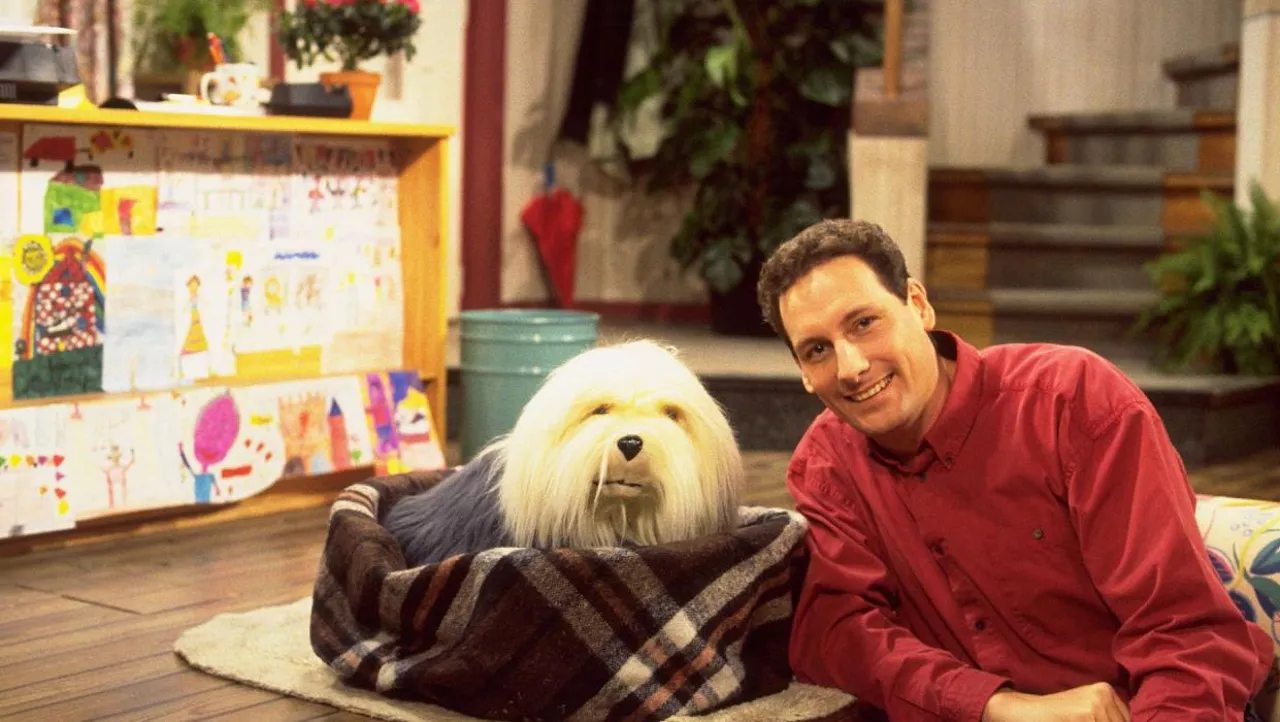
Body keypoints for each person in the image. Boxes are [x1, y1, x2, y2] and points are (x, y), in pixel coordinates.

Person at [754, 219, 1274, 721]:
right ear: (804, 374)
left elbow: (1183, 635)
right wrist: (997, 706)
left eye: (864, 323)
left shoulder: (1073, 403)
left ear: (918, 304)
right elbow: (840, 634)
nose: (851, 367)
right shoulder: (827, 465)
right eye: (817, 350)